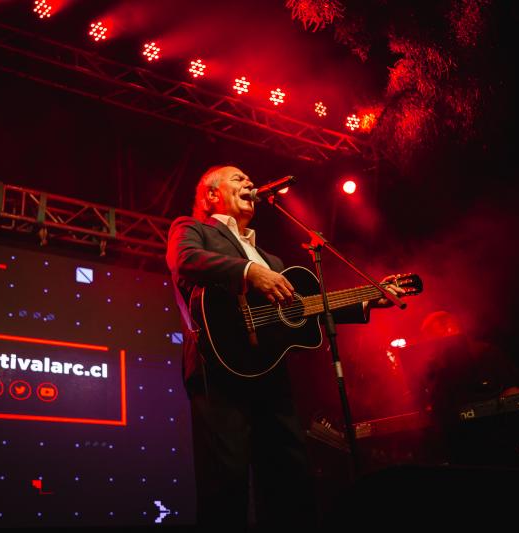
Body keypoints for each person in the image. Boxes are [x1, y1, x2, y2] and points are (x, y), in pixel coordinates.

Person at [166, 165, 404, 529]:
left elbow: (304, 310)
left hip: (270, 375)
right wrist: (249, 272)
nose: (249, 182)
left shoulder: (273, 260)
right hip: (219, 369)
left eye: (250, 179)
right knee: (225, 483)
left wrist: (367, 300)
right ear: (212, 195)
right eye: (238, 179)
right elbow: (185, 260)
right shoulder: (193, 228)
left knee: (290, 479)